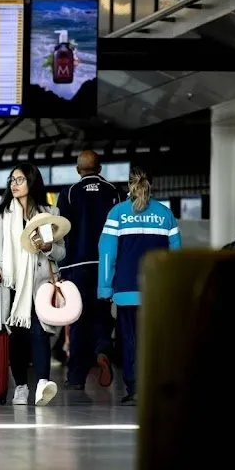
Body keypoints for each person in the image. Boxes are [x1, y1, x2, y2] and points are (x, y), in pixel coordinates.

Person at [99, 167, 182, 405]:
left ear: (129, 186)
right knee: (155, 340)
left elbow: (107, 254)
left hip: (126, 290)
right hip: (157, 290)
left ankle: (134, 389)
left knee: (130, 339)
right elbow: (175, 256)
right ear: (151, 186)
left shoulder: (117, 213)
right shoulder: (165, 214)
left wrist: (105, 289)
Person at [0, 163, 64, 406]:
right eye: (12, 180)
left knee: (40, 333)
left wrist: (49, 247)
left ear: (32, 181)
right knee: (17, 336)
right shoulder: (2, 214)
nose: (14, 184)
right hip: (12, 285)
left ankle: (42, 383)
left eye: (19, 179)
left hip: (39, 284)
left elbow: (61, 253)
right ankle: (20, 386)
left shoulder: (48, 212)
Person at [56, 150, 120, 390]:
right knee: (102, 313)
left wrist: (61, 269)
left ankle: (76, 378)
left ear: (78, 169)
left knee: (78, 320)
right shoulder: (114, 192)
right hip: (106, 264)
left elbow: (60, 232)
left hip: (77, 266)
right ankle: (103, 348)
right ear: (100, 168)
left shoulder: (69, 193)